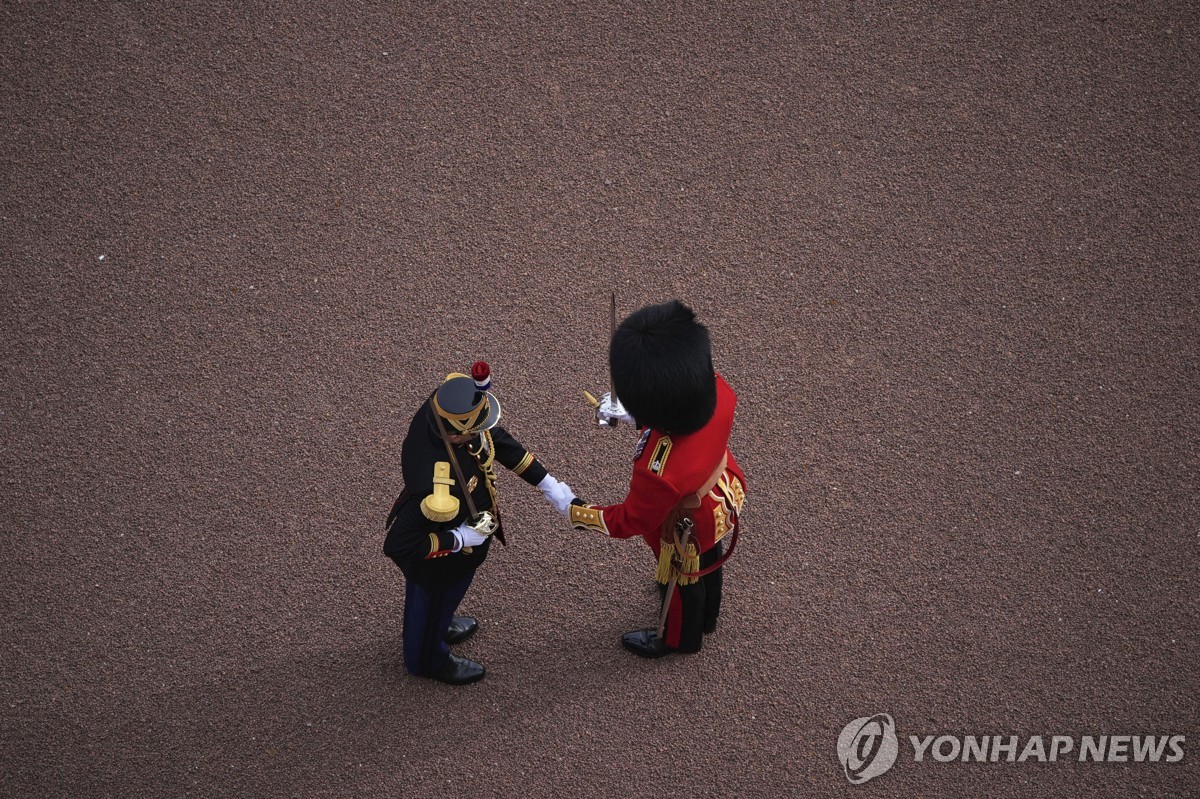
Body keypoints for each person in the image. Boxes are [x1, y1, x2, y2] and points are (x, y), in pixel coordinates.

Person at [564, 300, 747, 657]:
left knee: (681, 579)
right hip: (722, 494)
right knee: (710, 558)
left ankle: (680, 639)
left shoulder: (658, 469)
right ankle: (709, 617)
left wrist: (576, 511)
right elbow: (679, 414)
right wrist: (638, 413)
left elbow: (633, 519)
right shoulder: (720, 391)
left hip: (685, 523)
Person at [384, 362, 575, 685]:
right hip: (438, 562)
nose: (481, 431)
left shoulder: (445, 406)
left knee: (444, 601)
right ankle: (428, 659)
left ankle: (439, 623)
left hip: (466, 541)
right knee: (432, 600)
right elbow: (397, 544)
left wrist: (548, 484)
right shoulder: (432, 484)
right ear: (456, 433)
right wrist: (457, 540)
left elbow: (492, 439)